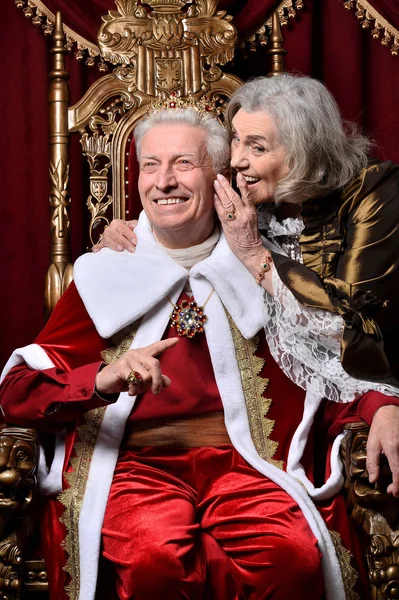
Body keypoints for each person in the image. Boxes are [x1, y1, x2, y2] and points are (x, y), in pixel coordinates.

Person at [0, 103, 397, 600]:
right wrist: (103, 378)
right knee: (152, 562)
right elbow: (19, 393)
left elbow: (321, 365)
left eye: (183, 164)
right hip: (136, 469)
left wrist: (381, 406)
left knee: (291, 558)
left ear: (220, 177)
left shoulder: (262, 266)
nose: (164, 181)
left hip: (246, 467)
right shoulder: (104, 272)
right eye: (150, 165)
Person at [100, 74, 399, 497]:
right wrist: (133, 234)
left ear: (303, 151)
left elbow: (350, 327)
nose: (236, 160)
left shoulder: (375, 191)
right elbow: (183, 218)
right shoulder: (251, 197)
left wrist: (381, 401)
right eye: (235, 141)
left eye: (256, 147)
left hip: (367, 371)